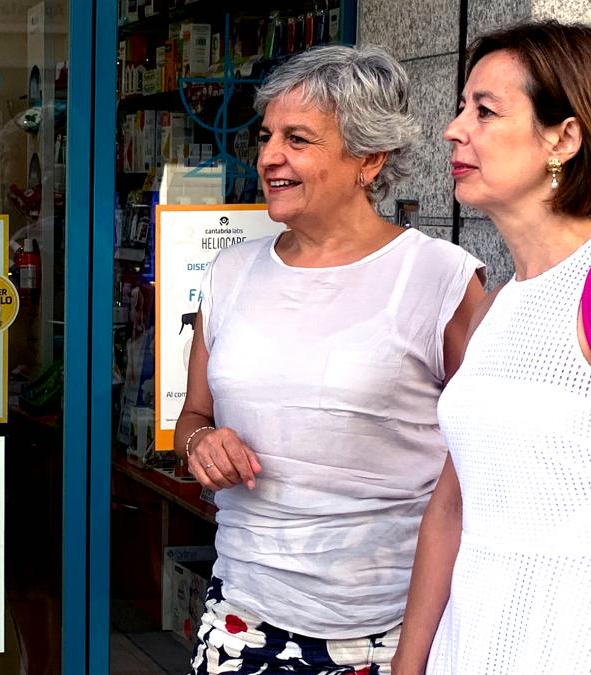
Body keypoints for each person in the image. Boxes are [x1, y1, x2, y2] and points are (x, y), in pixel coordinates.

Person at [174, 45, 485, 674]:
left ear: (369, 159)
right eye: (266, 137)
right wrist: (201, 442)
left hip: (387, 631)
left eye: (298, 139)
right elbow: (194, 415)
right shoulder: (229, 274)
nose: (268, 157)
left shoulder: (438, 278)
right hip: (242, 617)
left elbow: (484, 454)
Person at [394, 21, 591, 675]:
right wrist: (409, 662)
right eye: (459, 109)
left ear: (564, 137)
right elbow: (452, 503)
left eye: (484, 110)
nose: (454, 130)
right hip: (472, 637)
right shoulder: (497, 303)